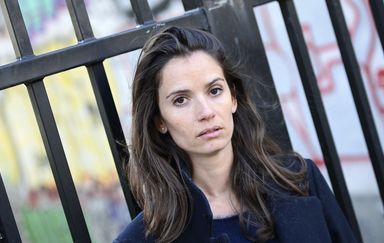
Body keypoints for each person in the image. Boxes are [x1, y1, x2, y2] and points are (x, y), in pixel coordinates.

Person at [113, 26, 357, 243]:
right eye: (180, 100)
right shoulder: (143, 238)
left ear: (233, 98)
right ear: (159, 121)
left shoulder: (300, 180)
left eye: (215, 90)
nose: (205, 112)